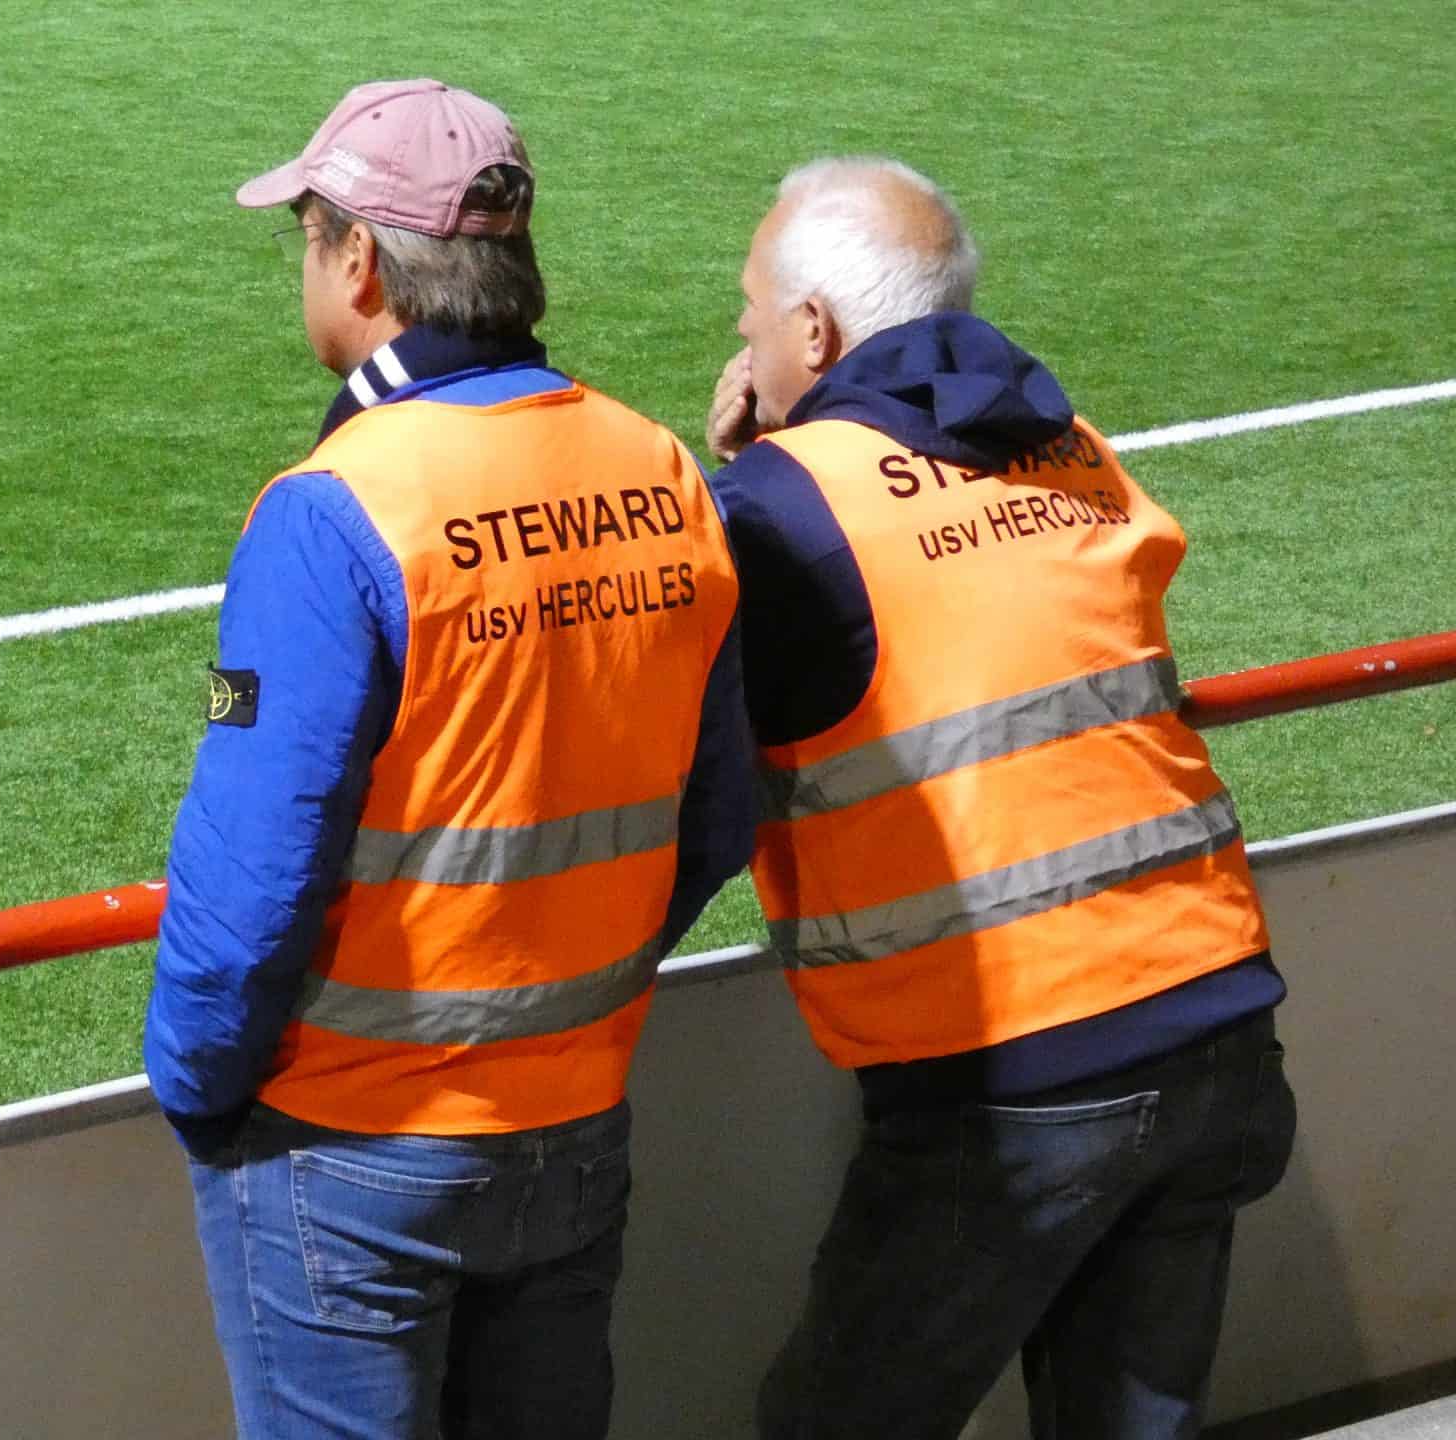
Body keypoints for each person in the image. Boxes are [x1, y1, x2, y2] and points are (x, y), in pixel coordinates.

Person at [143, 79, 752, 1439]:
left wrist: (195, 1084)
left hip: (350, 1144)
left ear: (359, 258)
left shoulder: (336, 507)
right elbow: (718, 812)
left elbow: (254, 866)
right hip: (576, 1116)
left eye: (306, 235)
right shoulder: (661, 471)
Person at [703, 156, 1300, 1439]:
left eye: (749, 315)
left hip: (1011, 1079)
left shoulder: (779, 508)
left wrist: (750, 481)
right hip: (1216, 1021)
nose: (741, 342)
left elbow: (708, 729)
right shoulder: (1072, 445)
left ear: (813, 330)